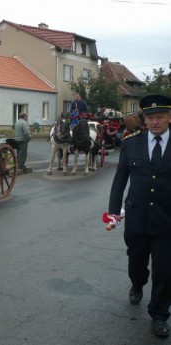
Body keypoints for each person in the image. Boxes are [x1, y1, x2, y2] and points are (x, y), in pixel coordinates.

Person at [107, 94, 171, 338]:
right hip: (137, 217)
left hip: (167, 219)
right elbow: (120, 180)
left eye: (160, 117)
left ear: (169, 117)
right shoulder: (132, 143)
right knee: (136, 261)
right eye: (150, 117)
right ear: (144, 120)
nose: (155, 122)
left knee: (165, 270)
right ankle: (137, 283)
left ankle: (160, 314)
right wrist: (114, 211)